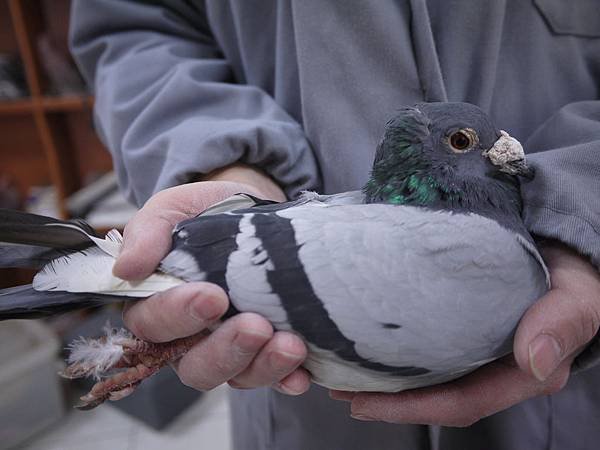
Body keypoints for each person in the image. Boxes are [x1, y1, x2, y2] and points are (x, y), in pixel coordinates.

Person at [70, 1, 600, 448]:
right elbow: (133, 24)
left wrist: (584, 216)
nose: (506, 151)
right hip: (301, 402)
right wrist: (225, 165)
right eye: (465, 142)